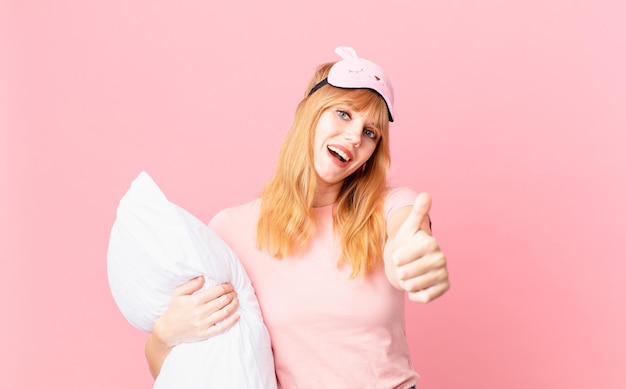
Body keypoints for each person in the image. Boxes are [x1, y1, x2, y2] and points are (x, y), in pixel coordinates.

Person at [145, 46, 450, 388]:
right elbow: (184, 372)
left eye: (370, 133)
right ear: (310, 113)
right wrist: (164, 335)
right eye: (344, 114)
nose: (354, 136)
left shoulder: (390, 206)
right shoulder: (232, 230)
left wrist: (412, 256)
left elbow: (405, 238)